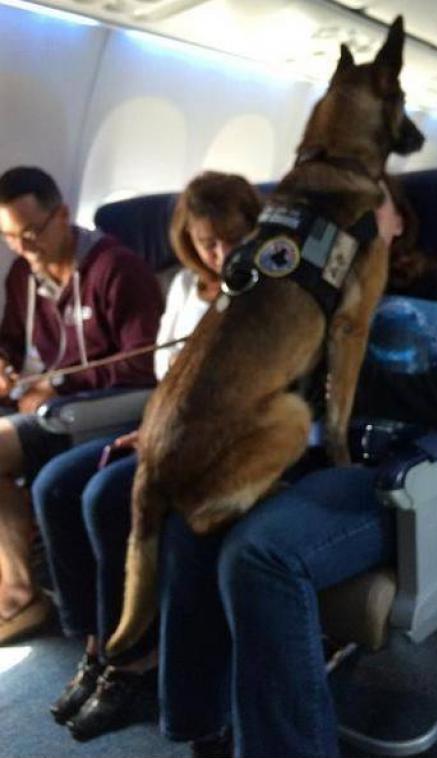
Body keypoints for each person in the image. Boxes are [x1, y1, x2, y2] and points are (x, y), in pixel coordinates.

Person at [155, 176, 437, 758]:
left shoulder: (431, 289)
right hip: (303, 462)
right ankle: (205, 725)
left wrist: (361, 385)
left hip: (398, 475)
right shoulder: (309, 296)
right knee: (191, 522)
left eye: (372, 214)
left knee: (259, 556)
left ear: (396, 223)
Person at [31, 171, 262, 741]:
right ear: (189, 240)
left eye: (233, 238)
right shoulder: (186, 286)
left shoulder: (268, 290)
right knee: (53, 487)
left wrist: (168, 430)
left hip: (215, 436)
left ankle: (131, 662)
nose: (222, 252)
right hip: (164, 421)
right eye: (208, 242)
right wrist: (156, 423)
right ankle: (95, 644)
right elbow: (163, 372)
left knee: (107, 496)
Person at [0, 166, 163, 645]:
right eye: (9, 237)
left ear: (63, 215)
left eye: (30, 232)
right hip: (37, 404)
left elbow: (142, 366)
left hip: (93, 410)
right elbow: (10, 339)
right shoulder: (21, 276)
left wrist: (61, 383)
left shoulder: (118, 270)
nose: (22, 247)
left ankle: (20, 594)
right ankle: (20, 594)